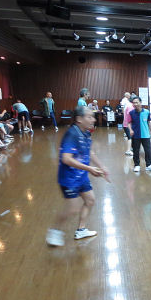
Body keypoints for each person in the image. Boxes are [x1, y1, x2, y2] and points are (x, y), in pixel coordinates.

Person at [46, 106, 109, 247]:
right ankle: (54, 231)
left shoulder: (86, 133)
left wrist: (102, 166)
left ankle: (81, 230)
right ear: (79, 119)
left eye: (93, 117)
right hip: (69, 179)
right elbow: (66, 159)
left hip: (81, 176)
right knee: (73, 208)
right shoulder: (72, 134)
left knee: (90, 200)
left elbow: (89, 152)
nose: (93, 119)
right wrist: (89, 169)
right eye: (90, 117)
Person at [126, 97, 151, 173]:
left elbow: (149, 122)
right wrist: (131, 130)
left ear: (140, 102)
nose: (135, 104)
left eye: (136, 102)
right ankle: (137, 165)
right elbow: (129, 123)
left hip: (146, 135)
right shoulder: (131, 113)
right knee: (136, 151)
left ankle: (149, 165)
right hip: (136, 135)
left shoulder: (147, 112)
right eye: (134, 103)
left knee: (147, 151)